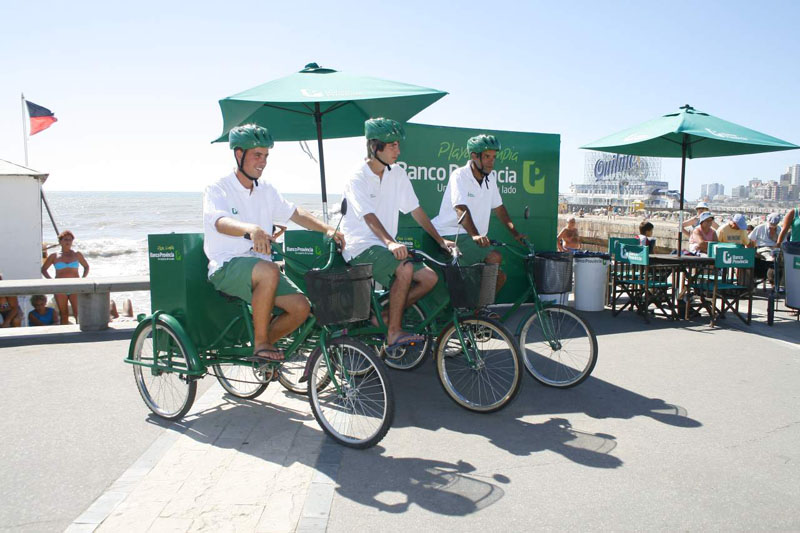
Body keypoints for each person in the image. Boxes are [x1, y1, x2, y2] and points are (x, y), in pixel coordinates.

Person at [203, 124, 344, 363]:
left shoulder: (266, 190)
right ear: (239, 154)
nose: (263, 162)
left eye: (266, 156)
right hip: (227, 265)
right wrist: (251, 229)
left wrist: (327, 228)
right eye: (257, 155)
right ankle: (261, 344)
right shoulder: (218, 188)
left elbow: (295, 213)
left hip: (261, 267)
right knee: (269, 270)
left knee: (301, 307)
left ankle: (261, 346)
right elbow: (219, 221)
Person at [341, 118, 453, 349]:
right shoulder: (357, 176)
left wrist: (441, 240)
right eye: (393, 145)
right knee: (405, 268)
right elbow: (368, 216)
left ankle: (383, 315)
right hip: (360, 246)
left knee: (429, 278)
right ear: (375, 147)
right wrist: (391, 243)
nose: (398, 151)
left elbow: (415, 210)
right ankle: (393, 332)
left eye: (398, 145)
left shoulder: (397, 173)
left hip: (384, 246)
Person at [430, 134, 526, 293]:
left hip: (472, 238)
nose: (491, 161)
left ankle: (476, 307)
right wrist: (475, 235)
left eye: (494, 157)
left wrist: (515, 233)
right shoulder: (460, 175)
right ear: (474, 156)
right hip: (451, 233)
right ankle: (473, 304)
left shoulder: (491, 178)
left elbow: (499, 208)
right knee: (494, 257)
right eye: (487, 156)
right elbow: (460, 208)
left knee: (499, 277)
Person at [41, 230, 89, 325]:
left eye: (70, 240)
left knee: (77, 312)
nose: (68, 242)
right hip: (60, 287)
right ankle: (65, 331)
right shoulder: (54, 256)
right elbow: (43, 269)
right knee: (64, 313)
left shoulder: (77, 254)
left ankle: (80, 330)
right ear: (60, 241)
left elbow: (86, 267)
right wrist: (51, 281)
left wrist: (83, 279)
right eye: (65, 239)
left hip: (75, 286)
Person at [749, 213, 782, 285]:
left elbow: (783, 242)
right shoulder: (760, 228)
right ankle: (772, 280)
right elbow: (751, 240)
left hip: (775, 248)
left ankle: (777, 282)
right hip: (763, 248)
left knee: (782, 259)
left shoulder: (779, 229)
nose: (773, 226)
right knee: (771, 259)